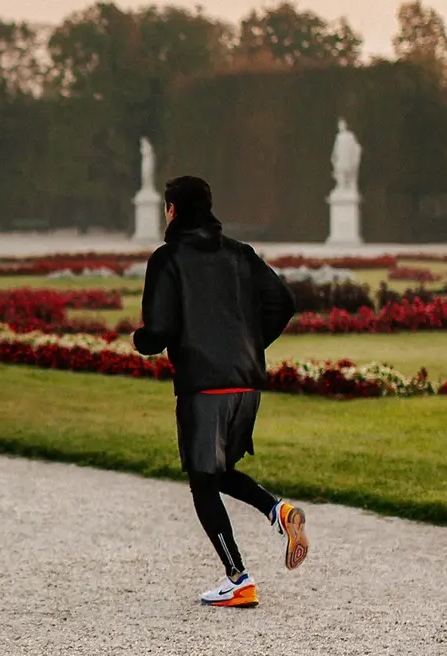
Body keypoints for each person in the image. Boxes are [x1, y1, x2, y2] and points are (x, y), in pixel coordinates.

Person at [132, 175, 307, 609]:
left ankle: (238, 578)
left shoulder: (167, 259)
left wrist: (141, 341)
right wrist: (250, 345)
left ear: (172, 210)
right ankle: (279, 512)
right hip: (247, 381)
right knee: (218, 468)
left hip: (203, 384)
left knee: (201, 479)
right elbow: (284, 302)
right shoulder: (240, 254)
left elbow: (158, 330)